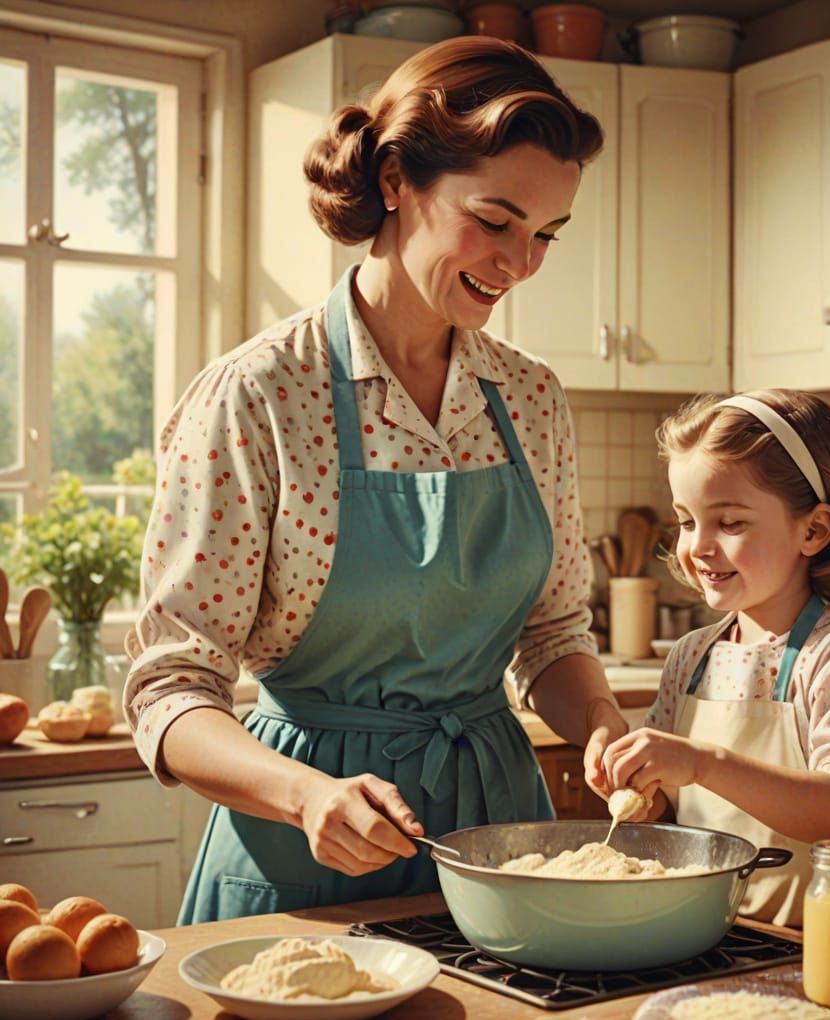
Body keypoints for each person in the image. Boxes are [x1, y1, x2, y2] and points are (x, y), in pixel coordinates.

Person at [122, 36, 630, 925]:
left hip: (498, 839)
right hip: (300, 845)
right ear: (397, 180)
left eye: (546, 233)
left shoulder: (532, 398)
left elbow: (550, 633)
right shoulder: (260, 396)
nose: (522, 264)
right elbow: (170, 689)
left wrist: (602, 726)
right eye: (496, 220)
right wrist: (304, 797)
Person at [600, 389, 830, 927]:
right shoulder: (692, 657)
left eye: (731, 523)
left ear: (812, 530)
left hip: (814, 945)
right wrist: (641, 794)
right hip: (702, 932)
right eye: (687, 521)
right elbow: (675, 810)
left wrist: (702, 763)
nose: (697, 546)